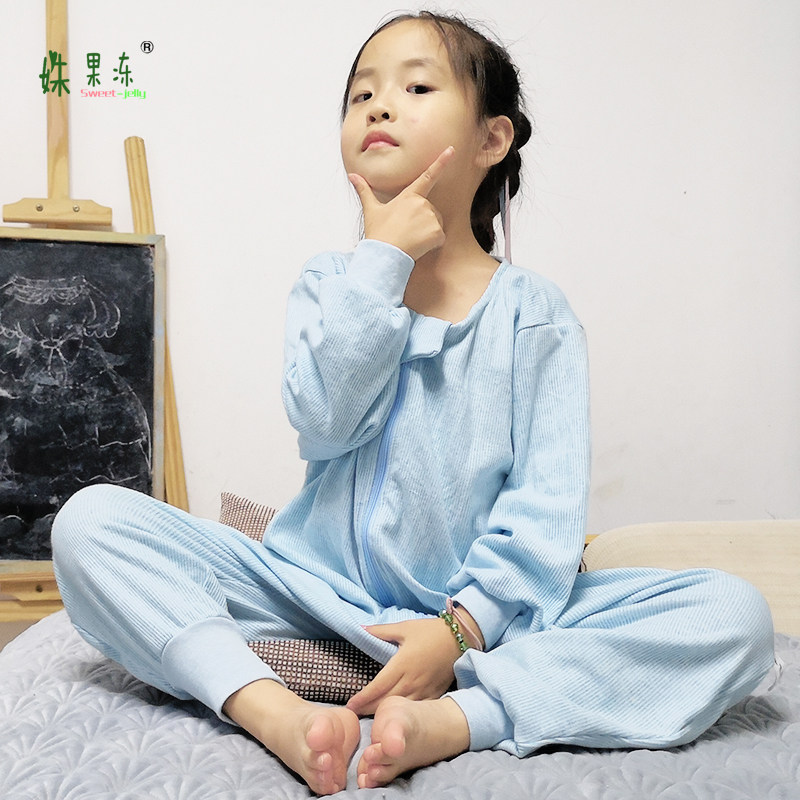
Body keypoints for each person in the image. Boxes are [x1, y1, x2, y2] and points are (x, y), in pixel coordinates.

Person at [51, 11, 775, 796]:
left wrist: (459, 630)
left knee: (732, 616)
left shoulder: (535, 316)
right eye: (361, 94)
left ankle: (460, 717)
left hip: (481, 627)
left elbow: (545, 513)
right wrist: (381, 262)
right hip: (310, 599)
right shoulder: (332, 284)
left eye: (417, 87)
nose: (380, 106)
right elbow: (322, 421)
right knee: (92, 521)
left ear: (492, 140)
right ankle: (275, 713)